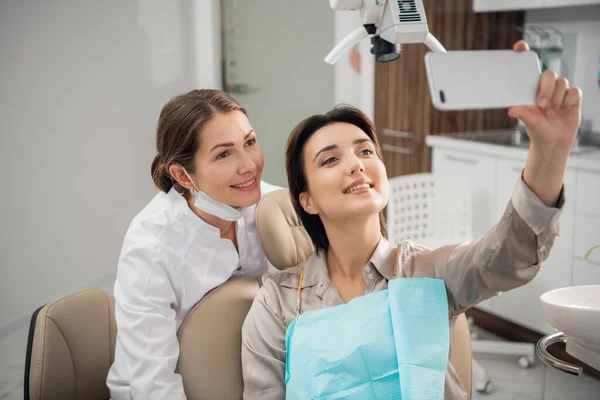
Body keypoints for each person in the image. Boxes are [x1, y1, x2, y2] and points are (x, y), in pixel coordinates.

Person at [241, 41, 582, 399]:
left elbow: (507, 256)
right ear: (306, 201)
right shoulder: (276, 303)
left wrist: (550, 151)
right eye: (330, 160)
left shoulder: (426, 272)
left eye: (365, 151)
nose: (357, 164)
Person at [107, 89, 278, 399]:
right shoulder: (151, 247)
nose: (249, 165)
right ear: (183, 176)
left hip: (245, 377)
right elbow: (153, 383)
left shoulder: (273, 206)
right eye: (224, 154)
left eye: (249, 143)